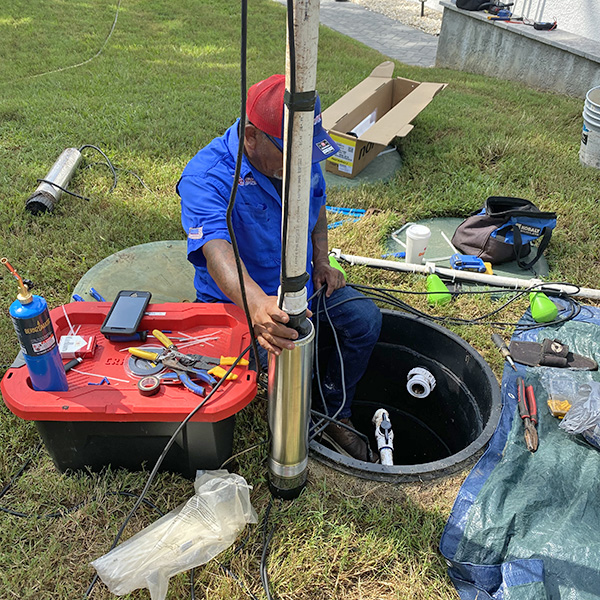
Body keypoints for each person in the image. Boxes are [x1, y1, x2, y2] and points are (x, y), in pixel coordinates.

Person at [177, 74, 382, 461]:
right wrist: (256, 306)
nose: (300, 166)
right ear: (251, 136)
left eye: (306, 156)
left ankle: (334, 411)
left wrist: (321, 260)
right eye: (291, 155)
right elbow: (216, 249)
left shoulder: (298, 158)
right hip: (239, 306)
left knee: (363, 321)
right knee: (261, 377)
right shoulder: (207, 176)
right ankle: (287, 406)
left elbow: (316, 201)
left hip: (301, 290)